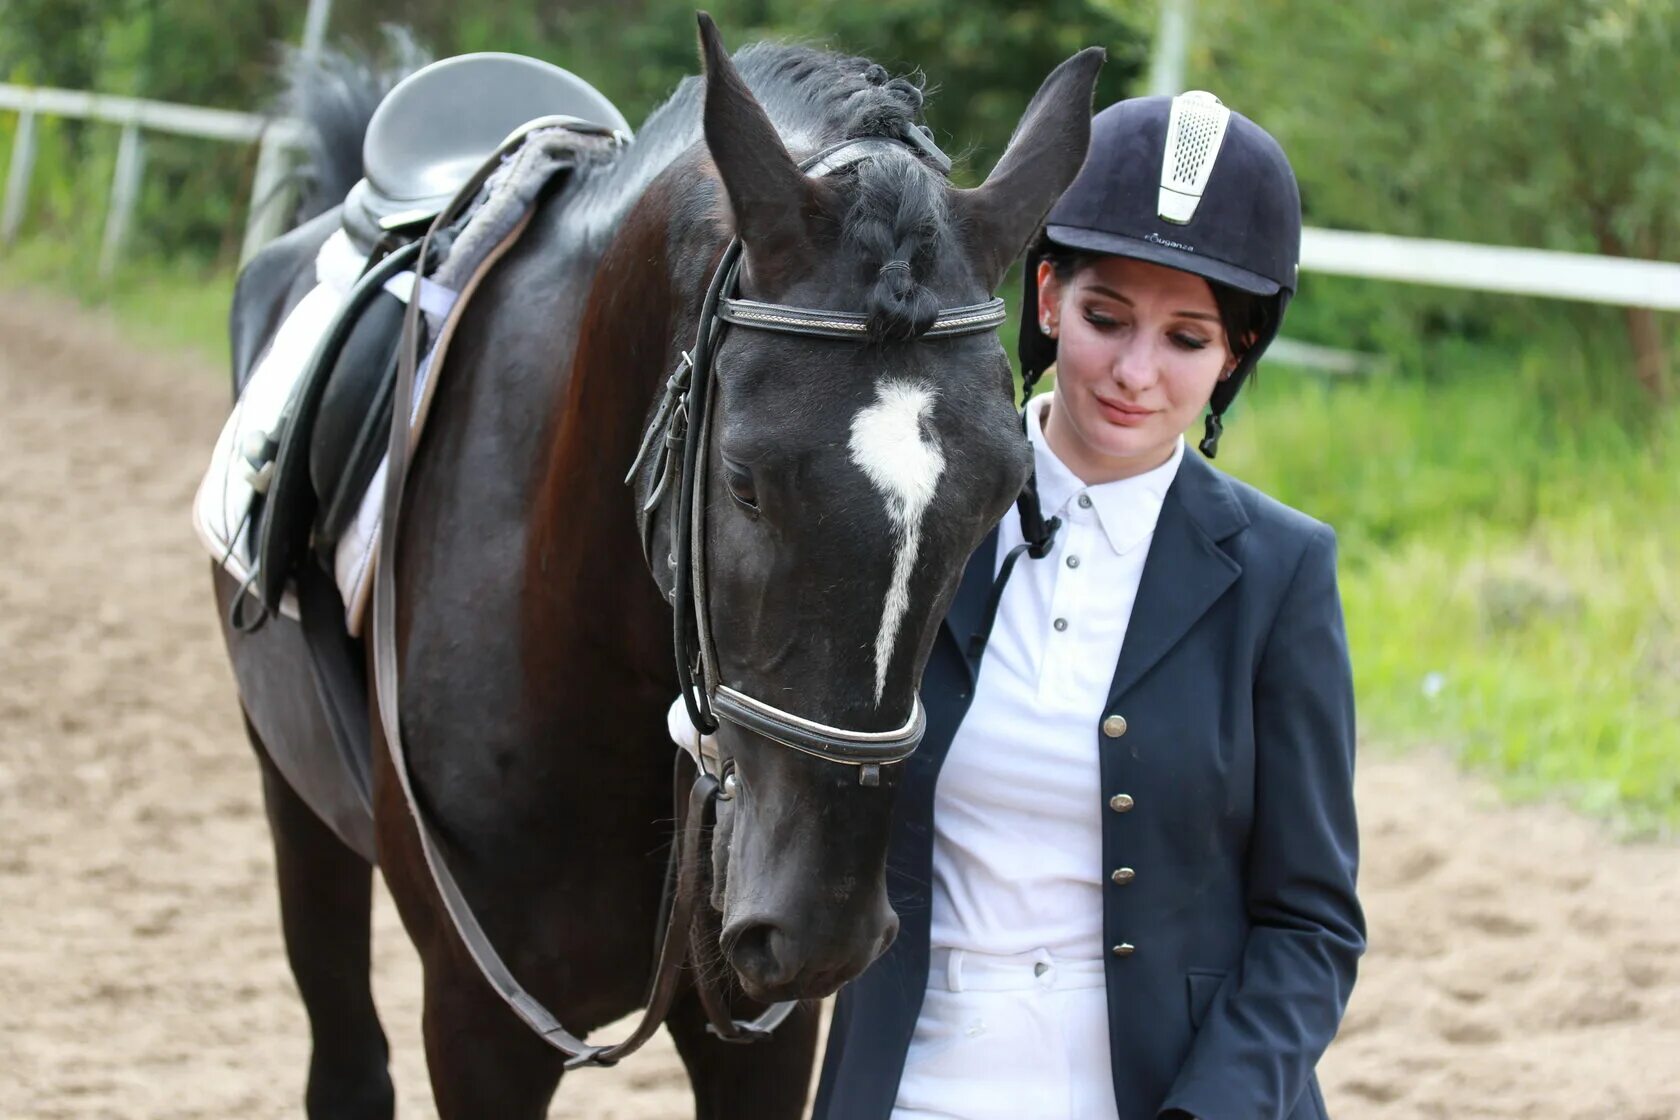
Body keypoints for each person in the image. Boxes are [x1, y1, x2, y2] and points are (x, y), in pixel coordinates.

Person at [810, 91, 1365, 1120]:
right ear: (1052, 295)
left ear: (1235, 355)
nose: (1135, 373)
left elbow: (1313, 922)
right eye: (1108, 319)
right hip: (917, 1083)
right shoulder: (910, 518)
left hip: (1174, 1097)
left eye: (1188, 339)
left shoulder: (1284, 572)